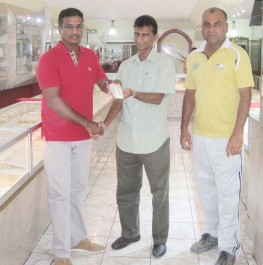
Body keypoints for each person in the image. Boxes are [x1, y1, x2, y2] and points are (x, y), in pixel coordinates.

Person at [36, 8, 110, 265]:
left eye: (78, 26)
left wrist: (117, 88)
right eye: (69, 26)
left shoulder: (90, 55)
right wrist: (87, 123)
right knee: (60, 193)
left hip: (82, 136)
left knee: (77, 190)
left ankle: (78, 238)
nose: (75, 31)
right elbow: (53, 101)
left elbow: (103, 82)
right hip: (57, 136)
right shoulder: (49, 59)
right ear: (60, 29)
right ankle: (61, 253)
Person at [180, 7, 253, 265]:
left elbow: (246, 95)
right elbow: (190, 94)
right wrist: (183, 129)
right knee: (206, 190)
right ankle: (211, 233)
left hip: (226, 139)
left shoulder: (237, 55)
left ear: (226, 27)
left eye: (217, 24)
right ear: (202, 26)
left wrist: (237, 134)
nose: (211, 28)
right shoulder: (195, 57)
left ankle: (229, 246)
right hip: (201, 136)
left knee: (228, 193)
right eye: (207, 24)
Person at [100, 15, 175, 258]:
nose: (140, 39)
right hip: (126, 141)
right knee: (126, 191)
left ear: (154, 37)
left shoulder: (164, 64)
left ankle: (160, 239)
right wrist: (105, 123)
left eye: (145, 34)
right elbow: (119, 99)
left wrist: (133, 92)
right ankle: (130, 232)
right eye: (136, 34)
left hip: (154, 141)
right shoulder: (126, 66)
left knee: (159, 192)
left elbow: (158, 97)